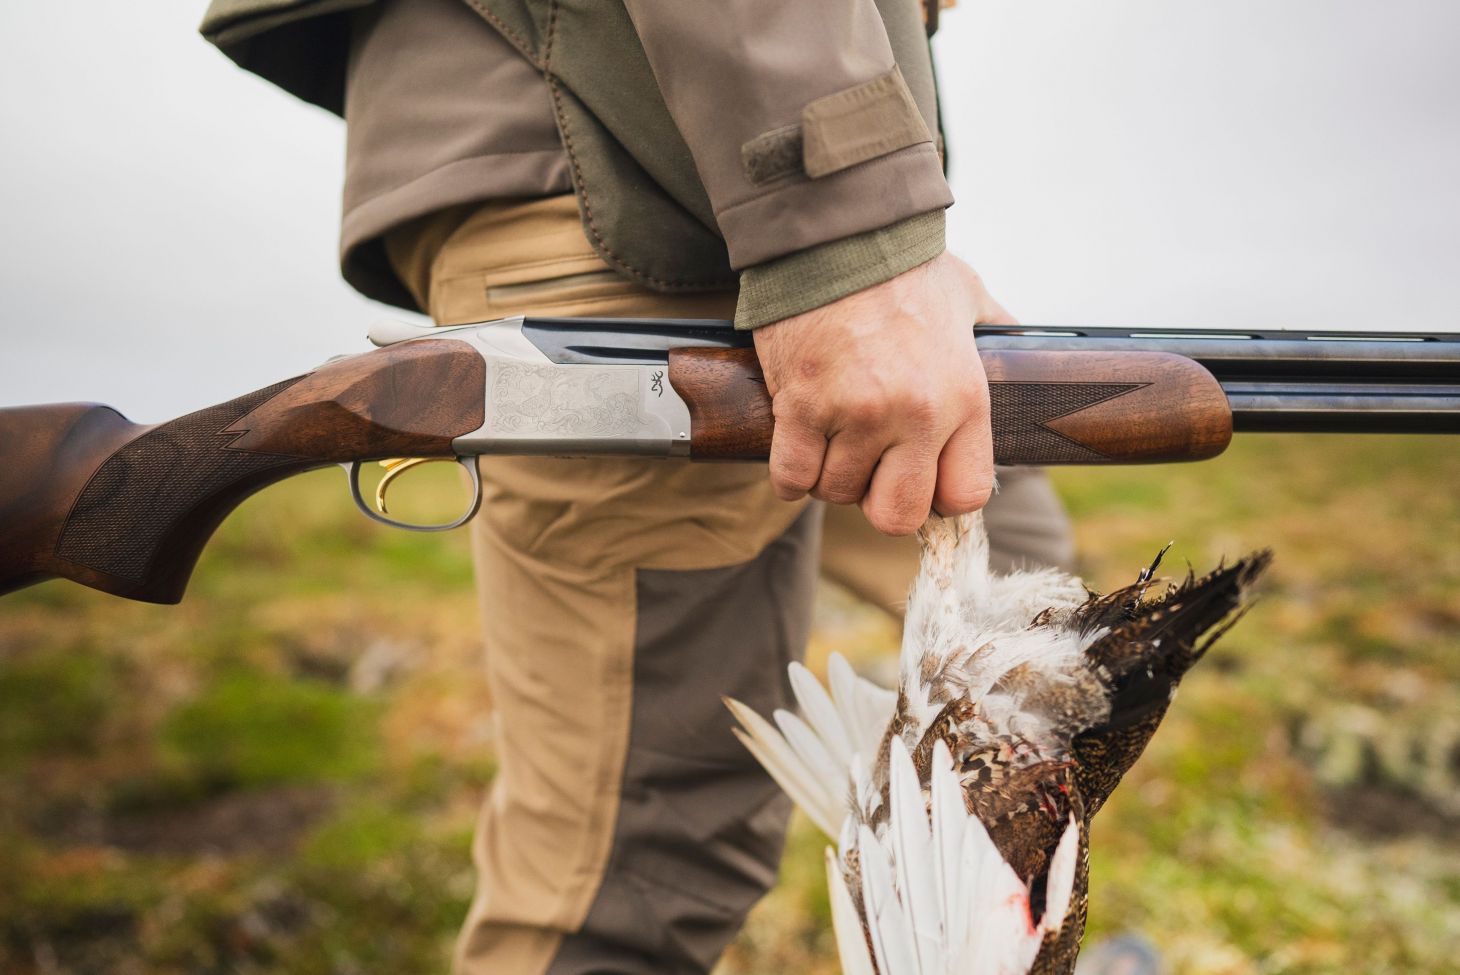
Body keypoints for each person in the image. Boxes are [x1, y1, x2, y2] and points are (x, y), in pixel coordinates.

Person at [200, 1, 1075, 972]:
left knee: (1036, 643)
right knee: (636, 882)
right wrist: (841, 242)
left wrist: (867, 233)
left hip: (709, 172)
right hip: (651, 182)